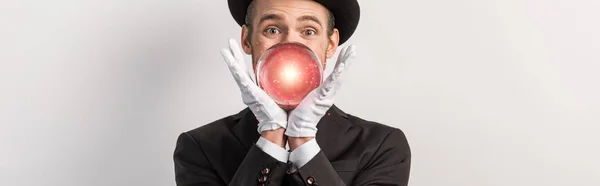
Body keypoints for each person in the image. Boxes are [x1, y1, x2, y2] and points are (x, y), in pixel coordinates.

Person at [173, 0, 411, 185]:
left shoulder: (382, 145)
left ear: (330, 44)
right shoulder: (200, 147)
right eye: (273, 30)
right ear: (247, 40)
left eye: (308, 31)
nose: (290, 45)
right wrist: (271, 137)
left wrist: (303, 141)